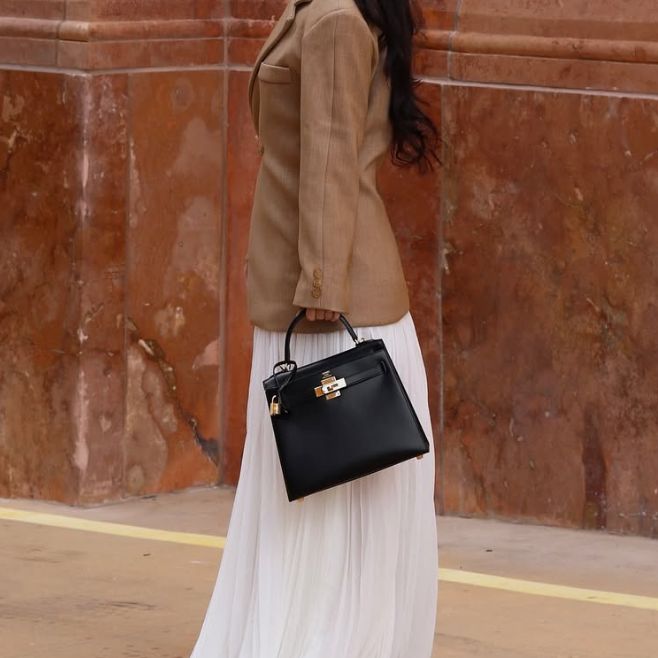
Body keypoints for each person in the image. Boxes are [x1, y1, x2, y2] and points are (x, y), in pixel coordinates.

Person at [190, 0, 441, 655]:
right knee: (314, 511)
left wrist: (321, 287)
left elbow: (330, 156)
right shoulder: (320, 9)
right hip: (309, 293)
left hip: (330, 307)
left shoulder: (332, 19)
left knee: (326, 514)